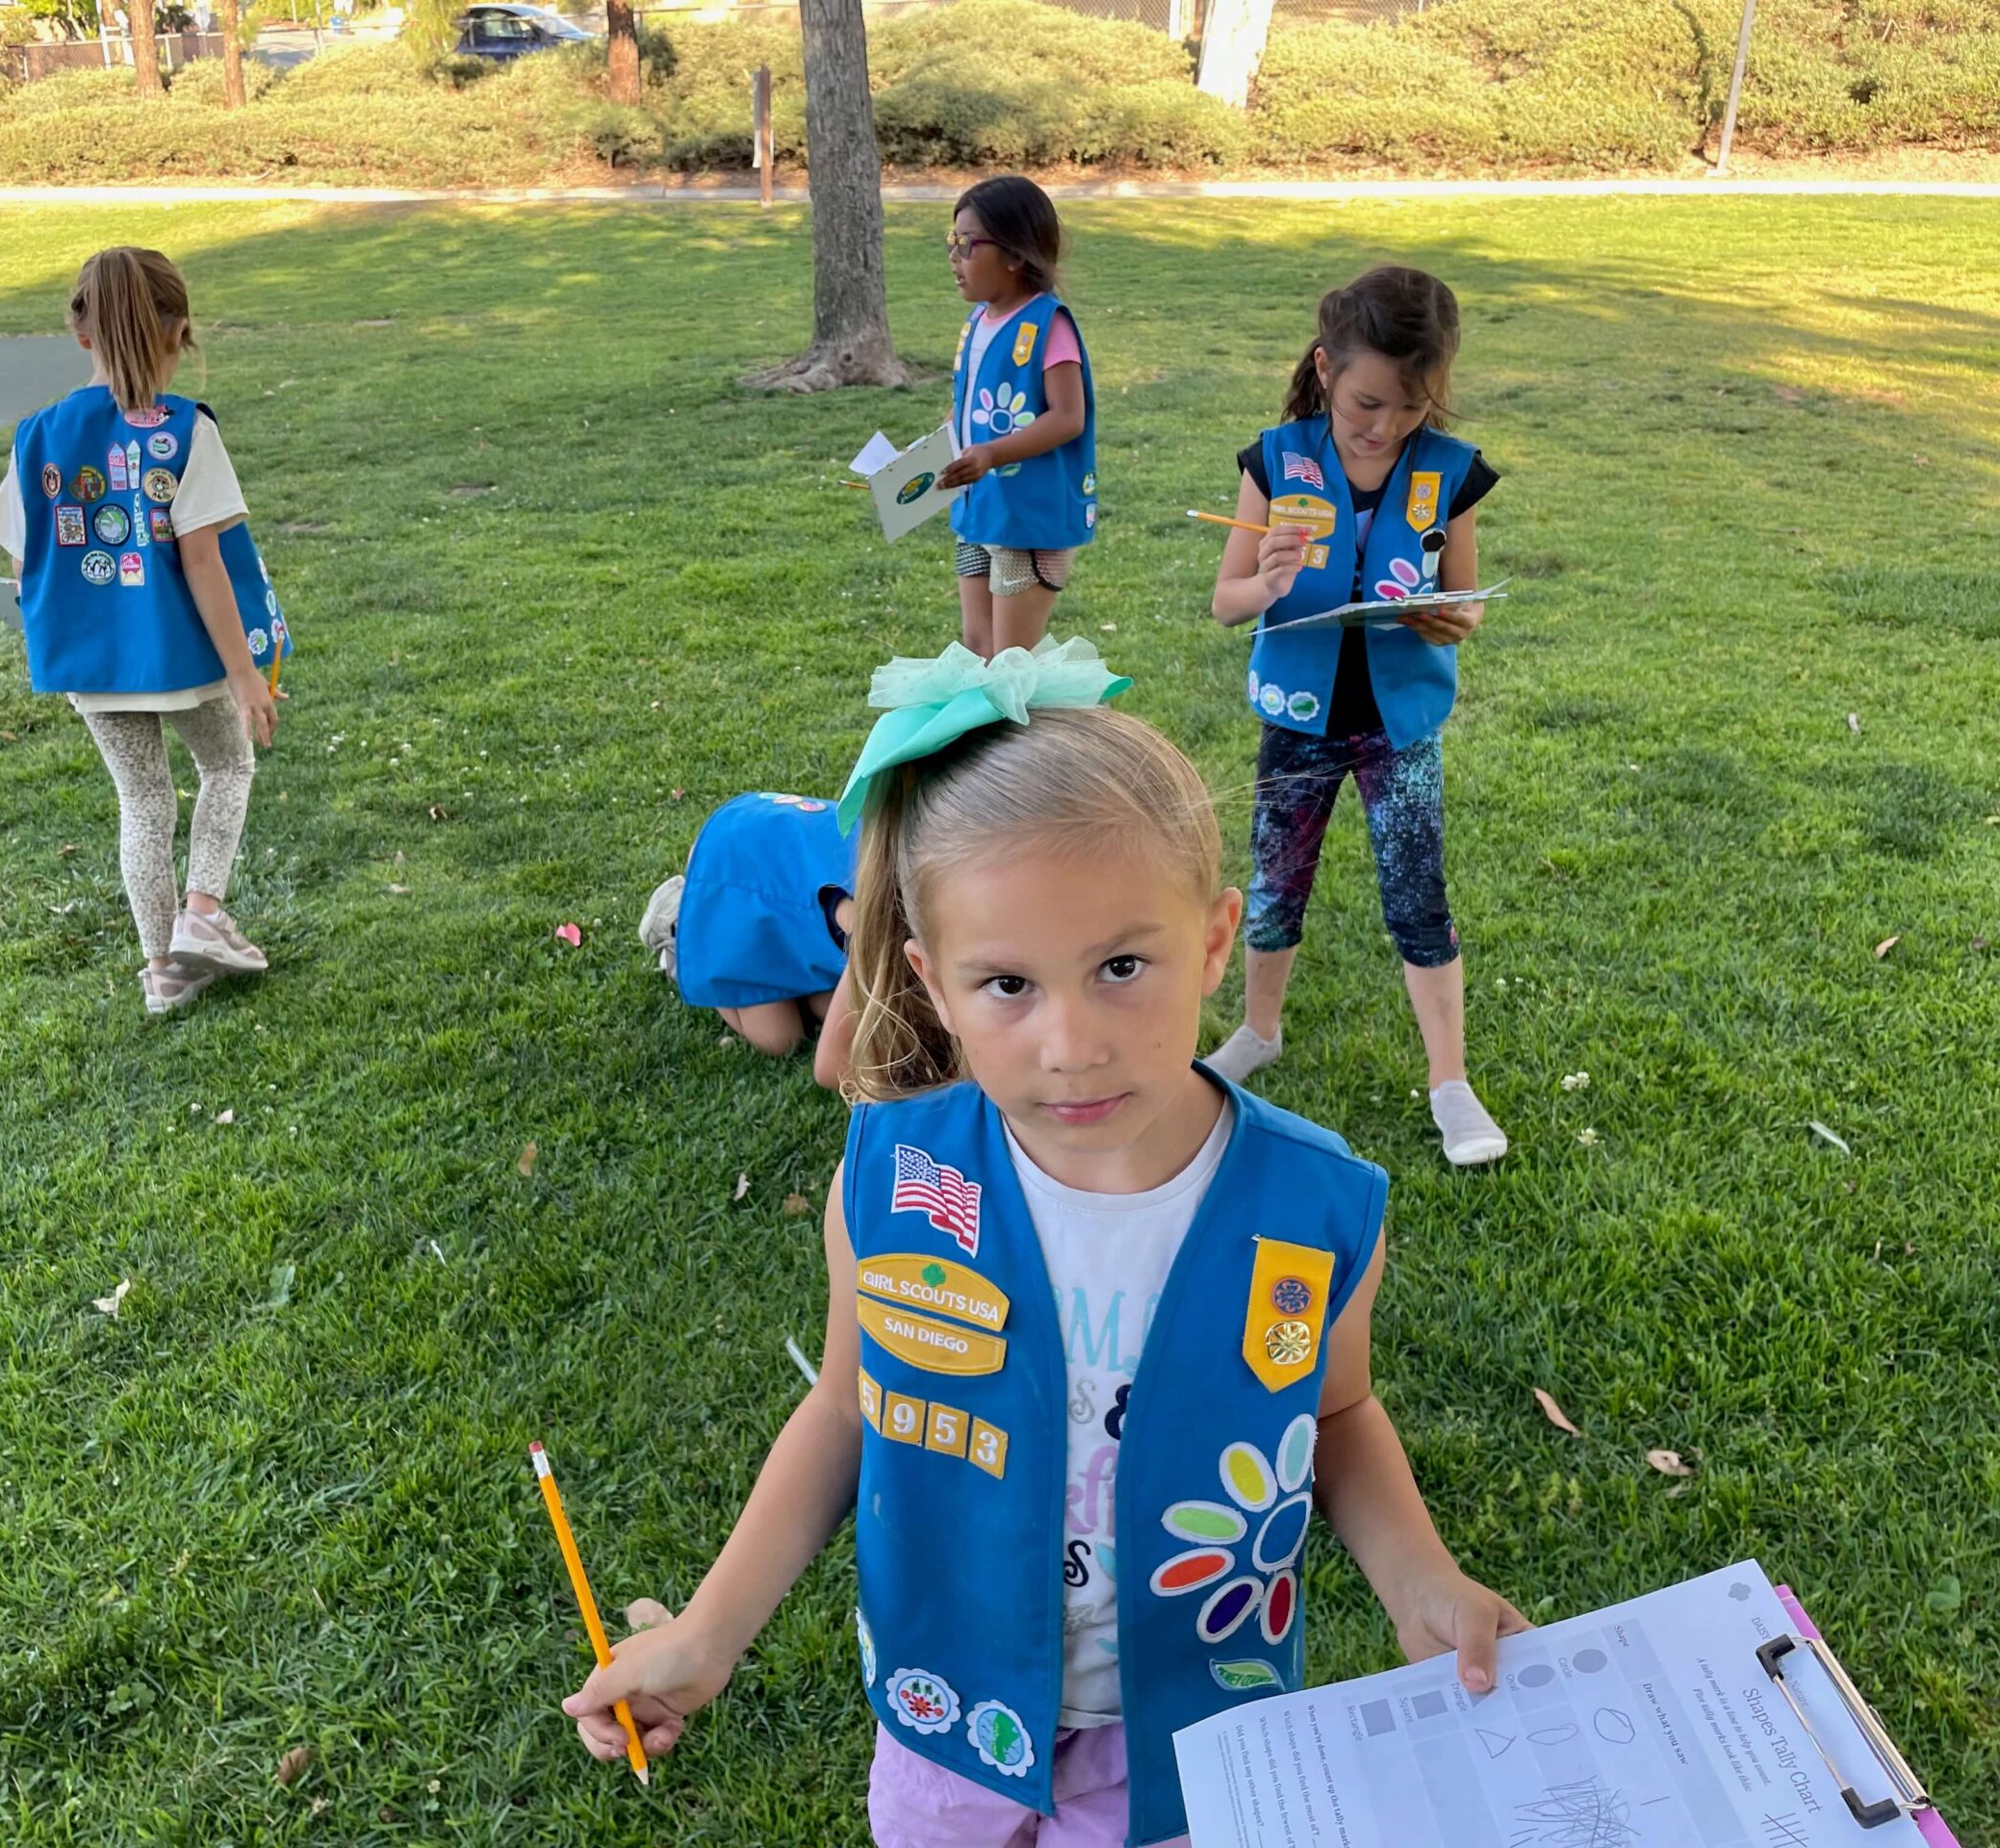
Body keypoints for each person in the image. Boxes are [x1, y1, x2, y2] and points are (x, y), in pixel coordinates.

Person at [565, 639, 1525, 1847]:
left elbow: (1333, 1418)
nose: (1070, 1042)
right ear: (929, 978)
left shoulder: (1316, 1208)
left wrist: (1421, 1580)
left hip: (1193, 1739)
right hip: (943, 1723)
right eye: (1006, 985)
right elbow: (847, 1409)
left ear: (1218, 938)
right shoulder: (892, 1180)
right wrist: (705, 1635)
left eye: (1122, 966)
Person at [1202, 266, 1508, 1166]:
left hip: (1398, 722)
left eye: (1411, 409)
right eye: (1369, 402)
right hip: (1299, 716)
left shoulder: (1449, 474)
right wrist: (1267, 581)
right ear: (1326, 368)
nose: (1385, 426)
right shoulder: (1276, 459)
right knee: (1275, 881)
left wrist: (1458, 617)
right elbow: (1226, 600)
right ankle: (1260, 1031)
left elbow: (1466, 597)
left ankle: (1449, 1081)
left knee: (1418, 895)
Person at [0, 246, 291, 1017]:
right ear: (179, 332)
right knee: (227, 767)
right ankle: (206, 912)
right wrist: (247, 675)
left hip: (89, 665)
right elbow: (204, 563)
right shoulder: (187, 430)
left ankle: (163, 972)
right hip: (180, 656)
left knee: (143, 802)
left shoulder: (37, 437)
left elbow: (25, 568)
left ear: (79, 333)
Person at [935, 177, 1098, 662]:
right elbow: (966, 406)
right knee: (978, 646)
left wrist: (991, 453)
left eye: (967, 244)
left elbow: (1068, 417)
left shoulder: (1050, 324)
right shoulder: (977, 322)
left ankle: (1034, 739)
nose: (954, 256)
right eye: (952, 241)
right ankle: (995, 737)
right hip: (981, 511)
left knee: (1011, 661)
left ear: (1014, 254)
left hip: (1028, 517)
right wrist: (933, 451)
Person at [640, 790, 859, 1090]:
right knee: (781, 1038)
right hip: (735, 878)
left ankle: (783, 975)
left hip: (785, 892)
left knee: (843, 1010)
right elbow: (831, 1068)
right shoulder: (872, 927)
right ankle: (683, 927)